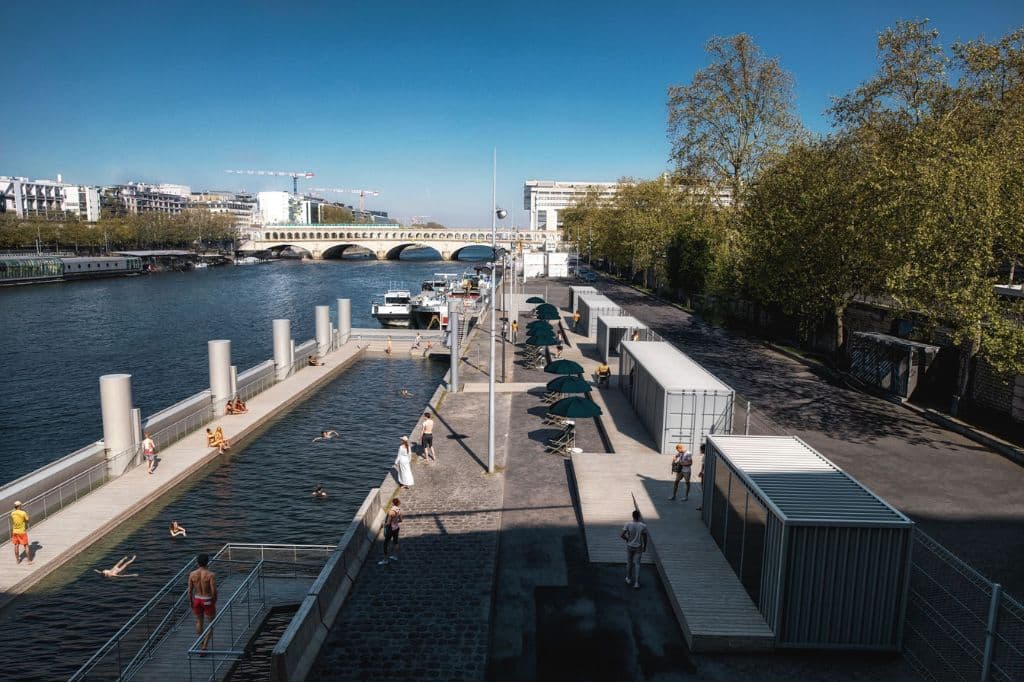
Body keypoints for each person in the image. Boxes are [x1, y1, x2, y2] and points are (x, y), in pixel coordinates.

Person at [188, 553, 217, 652]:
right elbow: (213, 590)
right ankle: (204, 646)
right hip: (207, 599)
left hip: (197, 599)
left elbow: (190, 590)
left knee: (199, 622)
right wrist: (214, 600)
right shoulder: (210, 575)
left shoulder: (192, 574)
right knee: (211, 624)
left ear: (197, 562)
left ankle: (201, 641)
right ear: (207, 562)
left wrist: (191, 601)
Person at [621, 510, 649, 589]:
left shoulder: (628, 524)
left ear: (632, 516)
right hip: (638, 547)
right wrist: (645, 546)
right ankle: (636, 583)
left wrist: (627, 539)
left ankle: (628, 578)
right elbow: (645, 538)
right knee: (637, 564)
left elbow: (621, 535)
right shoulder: (643, 526)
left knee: (629, 562)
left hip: (630, 546)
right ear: (639, 516)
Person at [377, 498, 403, 565]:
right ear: (398, 503)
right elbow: (400, 520)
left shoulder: (390, 512)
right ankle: (395, 556)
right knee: (396, 542)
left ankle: (385, 560)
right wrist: (395, 521)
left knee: (386, 544)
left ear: (392, 503)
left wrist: (382, 525)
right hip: (396, 528)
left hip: (390, 529)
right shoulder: (399, 510)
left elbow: (388, 523)